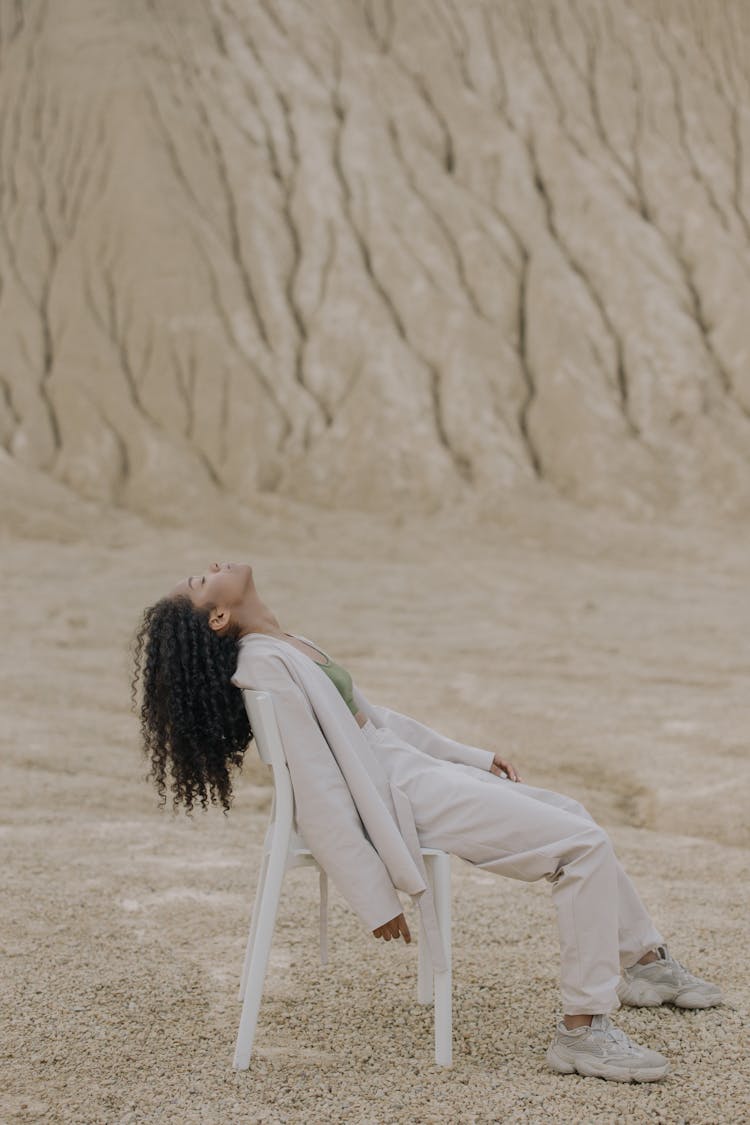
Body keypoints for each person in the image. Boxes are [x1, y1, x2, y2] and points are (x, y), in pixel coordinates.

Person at [131, 561, 724, 1083]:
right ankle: (583, 1029)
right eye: (202, 580)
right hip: (402, 794)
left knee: (575, 816)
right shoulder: (262, 665)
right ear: (218, 617)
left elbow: (377, 721)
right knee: (582, 846)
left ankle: (645, 965)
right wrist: (374, 894)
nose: (211, 565)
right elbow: (316, 787)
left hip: (407, 770)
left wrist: (468, 757)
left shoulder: (286, 644)